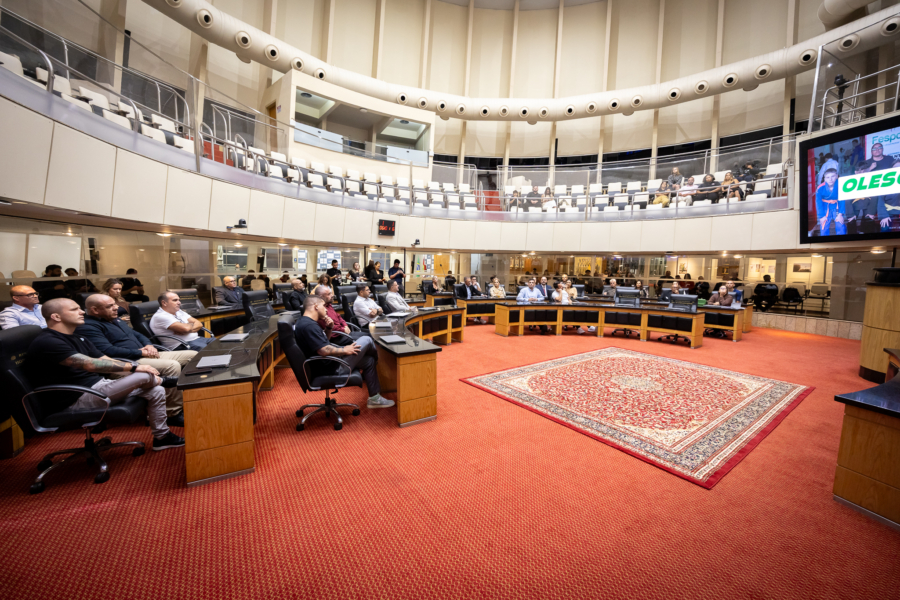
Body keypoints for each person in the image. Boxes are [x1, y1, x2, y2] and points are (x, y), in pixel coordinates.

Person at [24, 298, 183, 451]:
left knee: (155, 390)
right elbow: (90, 364)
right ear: (56, 317)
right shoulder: (49, 341)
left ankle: (162, 437)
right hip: (75, 397)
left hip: (97, 386)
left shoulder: (78, 337)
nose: (82, 312)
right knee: (143, 375)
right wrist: (135, 368)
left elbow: (105, 359)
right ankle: (165, 381)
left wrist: (134, 367)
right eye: (74, 309)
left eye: (80, 308)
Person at [77, 294, 196, 426]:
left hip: (144, 354)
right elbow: (108, 351)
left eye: (114, 304)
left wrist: (149, 345)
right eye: (110, 306)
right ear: (95, 310)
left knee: (194, 355)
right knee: (171, 366)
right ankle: (172, 413)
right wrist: (140, 352)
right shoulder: (89, 326)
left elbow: (137, 334)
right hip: (126, 362)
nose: (116, 308)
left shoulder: (115, 319)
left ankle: (189, 399)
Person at [294, 295, 392, 409]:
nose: (326, 309)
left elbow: (324, 343)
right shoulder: (309, 326)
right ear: (316, 306)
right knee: (367, 339)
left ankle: (374, 398)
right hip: (331, 368)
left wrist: (329, 328)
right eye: (323, 306)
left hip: (328, 363)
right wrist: (344, 350)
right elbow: (323, 350)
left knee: (369, 361)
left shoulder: (305, 321)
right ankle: (380, 361)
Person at [150, 292, 215, 350]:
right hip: (182, 345)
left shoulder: (179, 311)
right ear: (164, 303)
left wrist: (188, 330)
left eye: (179, 300)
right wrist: (189, 325)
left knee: (218, 343)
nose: (179, 302)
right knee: (210, 351)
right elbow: (186, 328)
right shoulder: (160, 316)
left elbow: (199, 323)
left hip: (197, 339)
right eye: (175, 300)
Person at [815, 168, 846, 236]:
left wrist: (840, 214)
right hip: (825, 207)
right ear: (825, 179)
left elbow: (843, 200)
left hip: (837, 207)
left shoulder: (841, 185)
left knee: (840, 225)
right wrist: (822, 216)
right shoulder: (820, 188)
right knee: (824, 226)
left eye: (833, 176)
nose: (830, 179)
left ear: (837, 176)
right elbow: (818, 202)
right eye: (828, 177)